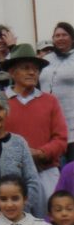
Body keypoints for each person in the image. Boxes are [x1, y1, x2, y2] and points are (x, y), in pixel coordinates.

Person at [4, 44, 67, 205]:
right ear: (12, 71)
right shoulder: (0, 102)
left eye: (36, 69)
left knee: (53, 219)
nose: (32, 72)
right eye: (26, 68)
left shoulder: (50, 101)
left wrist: (40, 152)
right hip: (11, 176)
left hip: (46, 172)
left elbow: (61, 139)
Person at [41, 23, 74, 163]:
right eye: (57, 35)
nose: (60, 38)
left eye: (64, 35)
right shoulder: (45, 60)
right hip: (50, 127)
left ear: (72, 38)